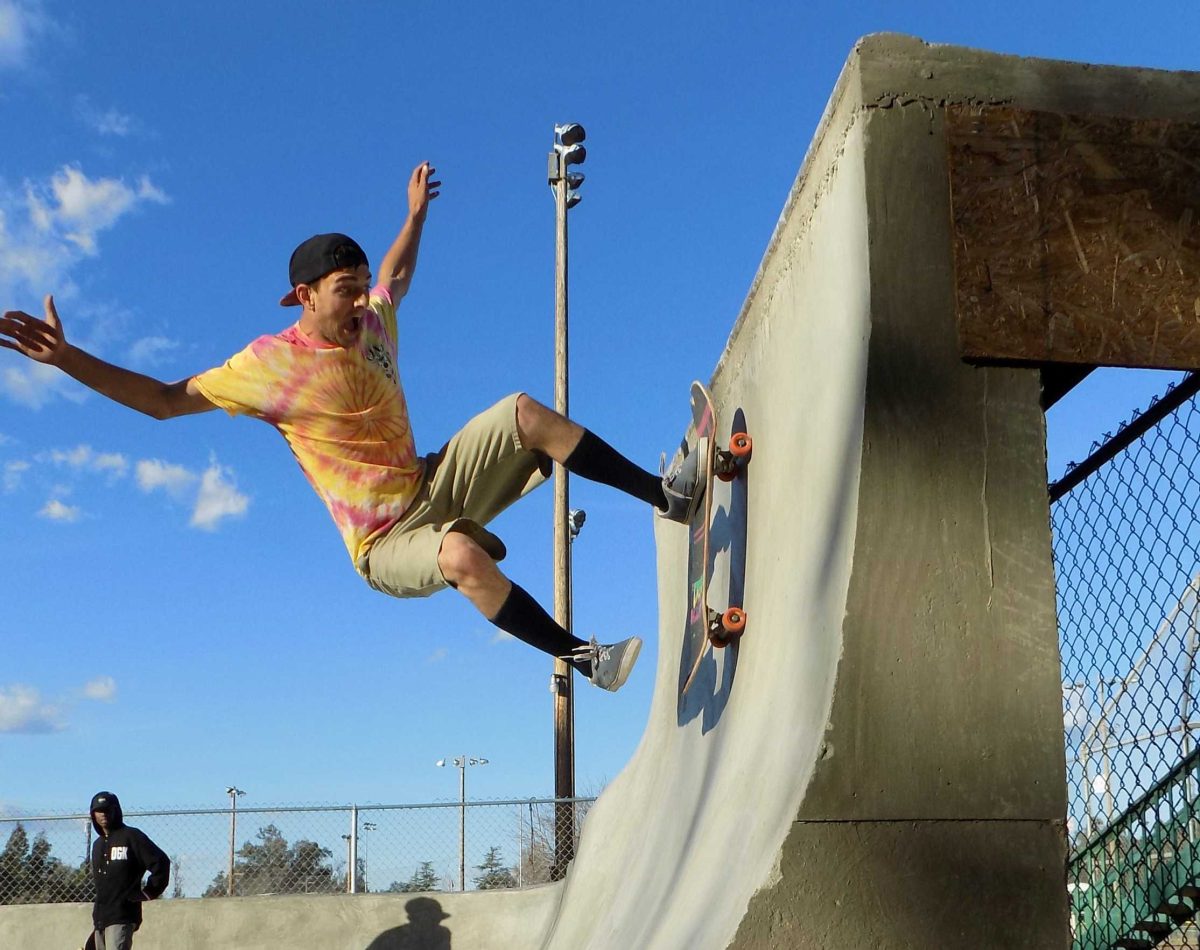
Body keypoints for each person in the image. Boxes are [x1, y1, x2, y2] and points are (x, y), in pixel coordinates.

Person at [0, 162, 698, 693]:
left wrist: (415, 218)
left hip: (431, 479)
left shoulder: (374, 321)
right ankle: (586, 659)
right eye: (345, 290)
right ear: (304, 295)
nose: (361, 300)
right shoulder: (267, 365)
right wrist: (67, 359)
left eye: (361, 287)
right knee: (459, 558)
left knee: (523, 411)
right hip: (384, 541)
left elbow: (396, 274)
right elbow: (162, 399)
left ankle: (664, 495)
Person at [87, 791, 170, 950]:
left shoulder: (132, 836)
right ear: (93, 814)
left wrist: (149, 892)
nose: (103, 814)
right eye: (99, 810)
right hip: (101, 917)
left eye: (107, 809)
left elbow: (161, 862)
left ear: (116, 810)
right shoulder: (97, 845)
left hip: (123, 915)